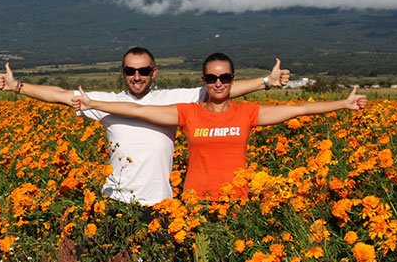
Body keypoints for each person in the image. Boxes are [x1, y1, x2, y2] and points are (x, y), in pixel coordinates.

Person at [0, 47, 290, 205]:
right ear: (122, 72)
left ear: (154, 72)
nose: (137, 76)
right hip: (115, 199)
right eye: (130, 71)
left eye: (144, 70)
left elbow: (219, 89)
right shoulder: (104, 102)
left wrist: (266, 82)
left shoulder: (174, 101)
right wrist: (17, 86)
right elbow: (59, 95)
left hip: (159, 202)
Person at [72, 52, 368, 200]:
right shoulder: (188, 113)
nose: (218, 83)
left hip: (237, 200)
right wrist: (93, 103)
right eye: (212, 78)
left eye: (225, 78)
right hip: (195, 203)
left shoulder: (247, 113)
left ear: (232, 80)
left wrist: (343, 104)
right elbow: (137, 109)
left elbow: (298, 110)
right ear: (204, 81)